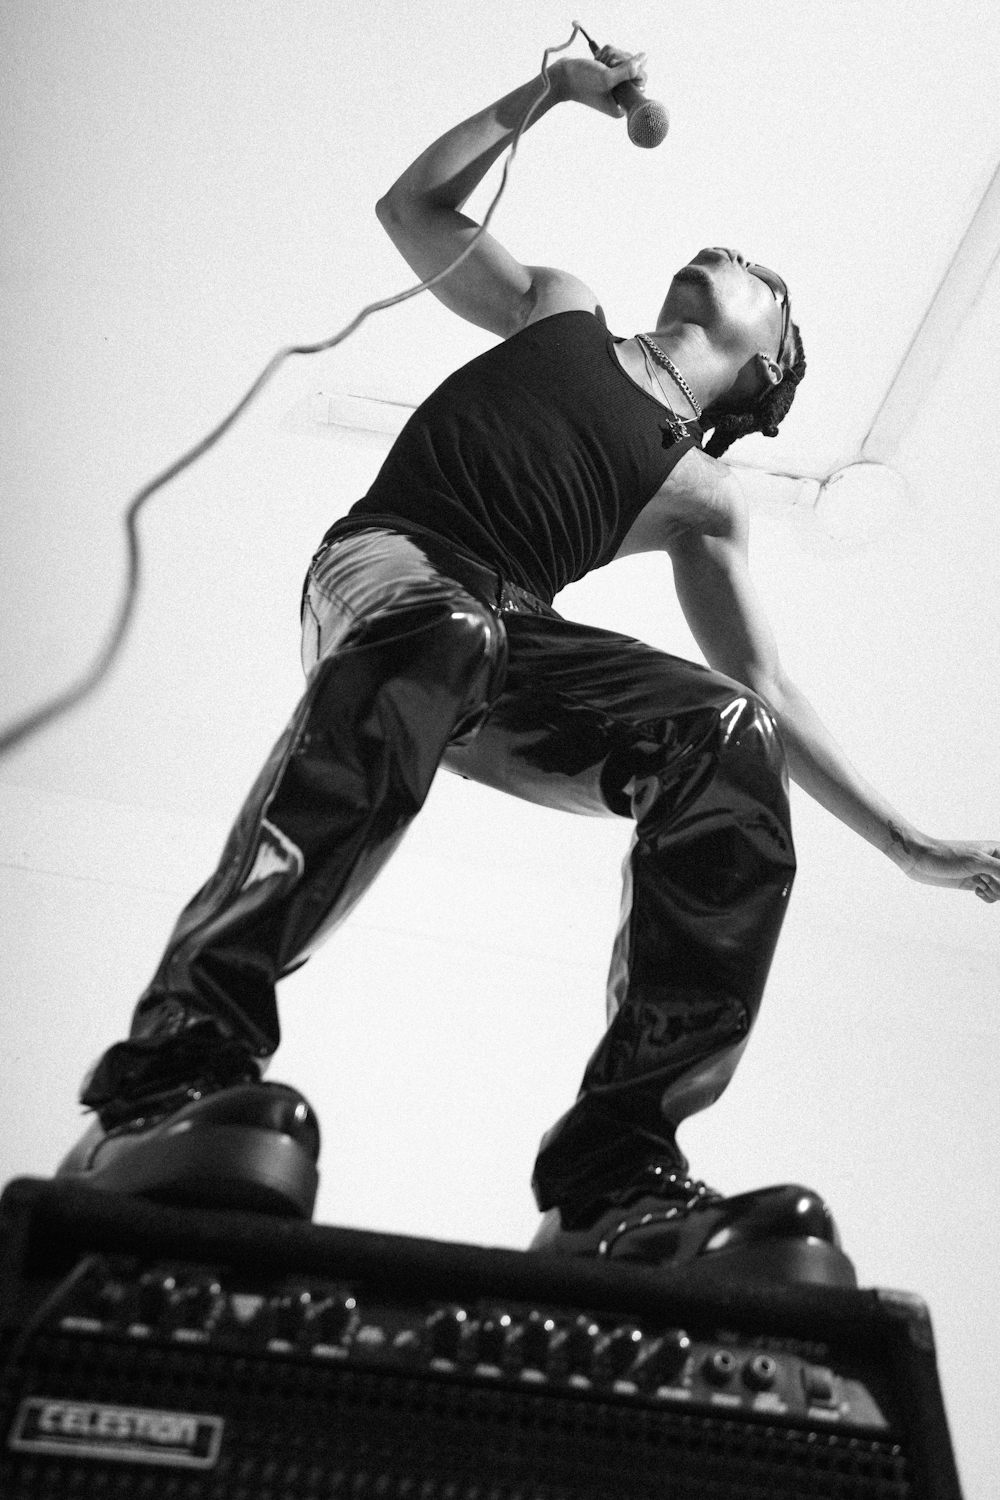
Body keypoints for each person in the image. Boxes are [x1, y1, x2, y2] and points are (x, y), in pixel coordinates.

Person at [58, 44, 999, 1281]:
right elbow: (415, 210)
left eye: (763, 280)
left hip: (511, 645)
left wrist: (908, 846)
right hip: (394, 568)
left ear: (767, 368)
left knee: (725, 740)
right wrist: (543, 100)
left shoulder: (702, 494)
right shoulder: (559, 307)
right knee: (444, 630)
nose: (732, 256)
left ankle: (614, 1179)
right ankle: (170, 1074)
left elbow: (766, 692)